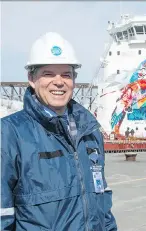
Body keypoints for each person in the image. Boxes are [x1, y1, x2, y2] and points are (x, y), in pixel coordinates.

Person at [1, 32, 118, 231]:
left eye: (66, 74)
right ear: (31, 79)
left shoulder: (90, 132)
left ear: (74, 79)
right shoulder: (9, 133)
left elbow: (102, 204)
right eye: (48, 74)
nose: (58, 82)